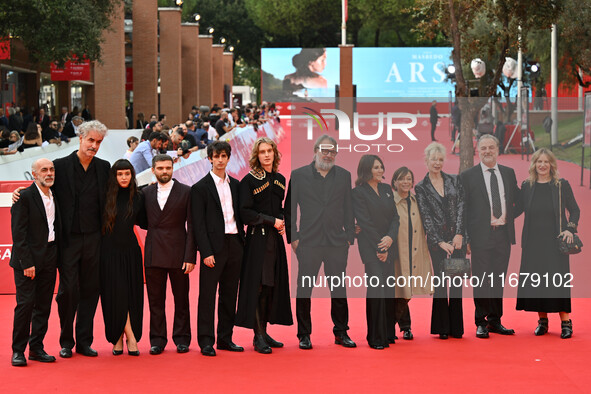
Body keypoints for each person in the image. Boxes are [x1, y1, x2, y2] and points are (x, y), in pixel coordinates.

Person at [285, 134, 356, 350]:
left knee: (339, 289)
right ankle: (304, 334)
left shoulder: (344, 175)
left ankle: (341, 332)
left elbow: (348, 207)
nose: (328, 154)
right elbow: (290, 208)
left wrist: (349, 237)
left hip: (336, 242)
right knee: (305, 289)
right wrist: (293, 238)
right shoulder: (298, 175)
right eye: (324, 150)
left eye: (332, 151)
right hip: (308, 241)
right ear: (316, 150)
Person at [460, 134, 521, 338]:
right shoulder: (468, 176)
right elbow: (464, 209)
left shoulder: (508, 173)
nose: (487, 151)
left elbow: (518, 199)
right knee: (481, 279)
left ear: (497, 149)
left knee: (498, 280)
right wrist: (466, 237)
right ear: (478, 151)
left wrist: (509, 217)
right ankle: (481, 321)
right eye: (483, 148)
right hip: (480, 237)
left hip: (502, 235)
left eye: (491, 147)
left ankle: (495, 320)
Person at [235, 137, 292, 354]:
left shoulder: (280, 179)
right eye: (262, 152)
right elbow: (245, 213)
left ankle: (264, 330)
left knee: (271, 286)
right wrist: (271, 220)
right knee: (258, 286)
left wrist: (281, 222)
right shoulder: (248, 181)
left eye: (269, 151)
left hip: (274, 240)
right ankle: (257, 335)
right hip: (257, 239)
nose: (266, 155)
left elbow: (279, 208)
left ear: (275, 153)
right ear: (256, 156)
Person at [516, 149, 580, 339]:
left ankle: (566, 322)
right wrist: (496, 218)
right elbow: (517, 209)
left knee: (557, 282)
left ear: (552, 164)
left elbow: (575, 210)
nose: (542, 165)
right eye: (539, 162)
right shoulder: (527, 186)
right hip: (533, 242)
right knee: (537, 283)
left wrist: (570, 229)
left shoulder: (561, 185)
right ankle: (542, 321)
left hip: (555, 243)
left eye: (546, 162)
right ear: (534, 164)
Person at [191, 141, 245, 357]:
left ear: (228, 158)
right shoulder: (199, 188)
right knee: (207, 295)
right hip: (213, 248)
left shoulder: (237, 185)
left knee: (229, 295)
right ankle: (206, 341)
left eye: (224, 156)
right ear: (209, 159)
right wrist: (205, 252)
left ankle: (225, 338)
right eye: (216, 156)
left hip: (235, 244)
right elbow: (198, 224)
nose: (220, 159)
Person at [140, 154, 196, 355]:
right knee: (155, 300)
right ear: (153, 170)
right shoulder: (145, 193)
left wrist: (190, 256)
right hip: (154, 251)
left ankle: (182, 339)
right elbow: (142, 220)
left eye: (168, 168)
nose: (165, 171)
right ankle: (157, 340)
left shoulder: (186, 192)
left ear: (173, 169)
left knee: (181, 299)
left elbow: (192, 226)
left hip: (179, 252)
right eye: (160, 168)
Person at [10, 159, 60, 366]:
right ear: (34, 174)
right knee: (25, 304)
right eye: (44, 170)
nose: (49, 173)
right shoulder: (24, 196)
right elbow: (18, 234)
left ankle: (36, 348)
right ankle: (18, 351)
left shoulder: (56, 195)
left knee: (43, 305)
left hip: (50, 255)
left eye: (51, 170)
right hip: (28, 259)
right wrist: (26, 262)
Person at [415, 142, 466, 339]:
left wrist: (459, 234)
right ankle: (442, 327)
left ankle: (456, 328)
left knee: (456, 284)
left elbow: (462, 207)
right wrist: (438, 242)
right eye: (433, 159)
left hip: (457, 241)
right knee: (440, 283)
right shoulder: (421, 187)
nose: (437, 163)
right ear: (426, 161)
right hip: (437, 244)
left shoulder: (455, 180)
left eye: (440, 159)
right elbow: (425, 216)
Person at [352, 155, 399, 349]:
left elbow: (395, 219)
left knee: (388, 291)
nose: (381, 170)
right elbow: (365, 223)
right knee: (376, 291)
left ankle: (388, 333)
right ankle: (375, 337)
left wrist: (389, 239)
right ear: (366, 170)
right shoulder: (358, 193)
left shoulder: (387, 189)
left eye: (381, 167)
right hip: (371, 249)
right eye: (376, 167)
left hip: (389, 246)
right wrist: (381, 247)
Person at [100, 159, 144, 356]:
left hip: (131, 252)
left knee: (130, 295)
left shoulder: (139, 196)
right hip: (108, 253)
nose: (124, 177)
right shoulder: (104, 197)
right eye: (120, 174)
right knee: (115, 295)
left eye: (127, 174)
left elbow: (146, 221)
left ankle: (120, 337)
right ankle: (128, 336)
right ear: (114, 176)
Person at [390, 167, 433, 341]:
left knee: (408, 288)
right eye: (401, 179)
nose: (405, 182)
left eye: (408, 179)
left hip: (416, 249)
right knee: (400, 289)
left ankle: (399, 325)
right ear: (394, 182)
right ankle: (402, 326)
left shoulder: (417, 200)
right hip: (398, 251)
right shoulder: (390, 201)